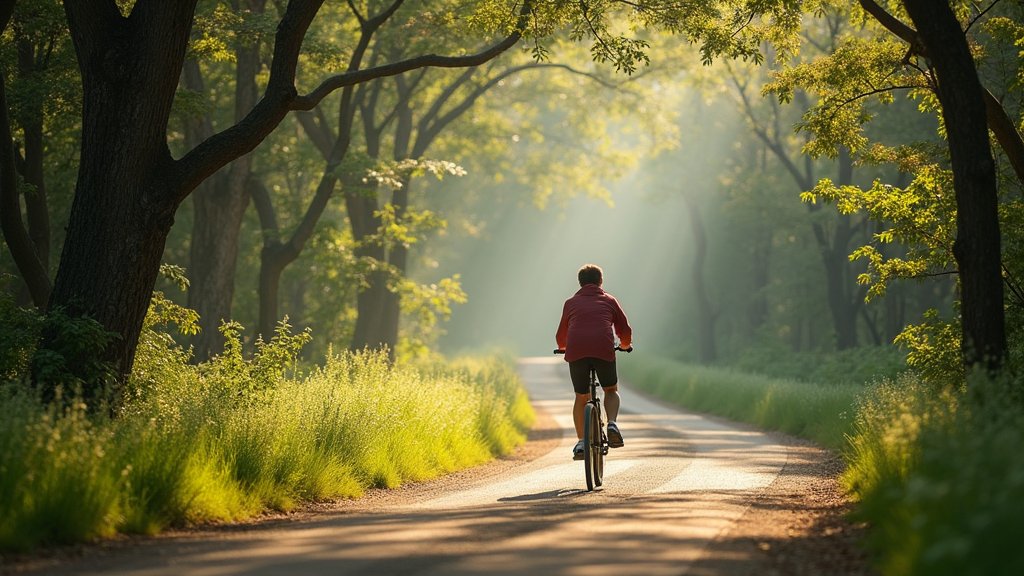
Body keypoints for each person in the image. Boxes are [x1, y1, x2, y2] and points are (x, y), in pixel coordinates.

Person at [555, 264, 632, 460]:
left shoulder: (570, 303)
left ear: (580, 282)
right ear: (600, 281)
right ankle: (612, 423)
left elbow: (561, 335)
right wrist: (624, 345)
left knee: (581, 397)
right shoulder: (609, 300)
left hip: (577, 352)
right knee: (610, 390)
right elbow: (625, 330)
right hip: (603, 350)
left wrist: (563, 347)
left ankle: (581, 443)